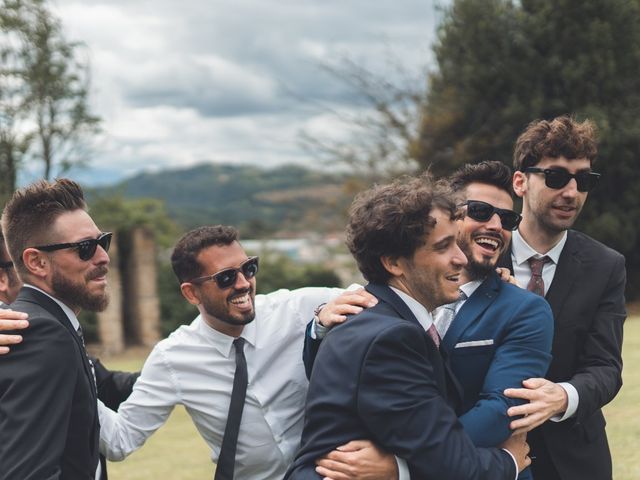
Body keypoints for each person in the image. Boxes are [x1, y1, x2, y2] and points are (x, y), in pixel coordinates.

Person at [286, 175, 529, 479]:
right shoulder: (392, 338)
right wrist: (510, 461)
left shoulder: (376, 318)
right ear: (394, 263)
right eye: (443, 247)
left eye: (456, 242)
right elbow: (455, 464)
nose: (460, 257)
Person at [97, 225, 359, 479]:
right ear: (191, 293)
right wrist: (72, 375)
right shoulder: (173, 358)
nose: (244, 283)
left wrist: (331, 318)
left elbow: (367, 296)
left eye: (249, 268)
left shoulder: (295, 310)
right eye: (226, 277)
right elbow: (120, 441)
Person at [501, 116, 626, 480]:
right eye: (556, 178)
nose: (572, 192)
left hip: (575, 461)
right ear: (520, 181)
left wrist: (563, 396)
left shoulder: (606, 265)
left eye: (583, 180)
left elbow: (606, 367)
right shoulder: (482, 255)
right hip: (487, 454)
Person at [0, 179, 110, 479]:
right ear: (36, 262)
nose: (103, 257)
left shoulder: (47, 325)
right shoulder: (43, 334)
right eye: (86, 248)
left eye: (103, 242)